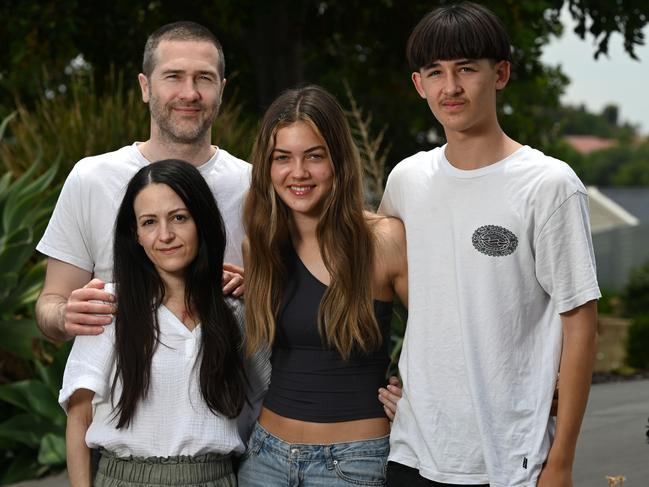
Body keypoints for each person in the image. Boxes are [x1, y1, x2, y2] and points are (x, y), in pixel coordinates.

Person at [379, 3, 600, 486]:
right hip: (414, 452)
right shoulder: (407, 181)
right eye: (435, 72)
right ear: (419, 84)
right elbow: (373, 279)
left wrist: (560, 462)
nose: (450, 87)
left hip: (511, 460)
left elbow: (580, 324)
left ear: (499, 74)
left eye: (466, 69)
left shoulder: (549, 185)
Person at [35, 21, 248, 343]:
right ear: (146, 87)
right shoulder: (91, 178)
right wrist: (65, 315)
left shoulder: (255, 184)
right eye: (173, 76)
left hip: (232, 389)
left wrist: (260, 290)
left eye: (204, 78)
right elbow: (51, 303)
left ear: (221, 89)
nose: (189, 93)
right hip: (123, 389)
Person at [237, 85, 408, 486]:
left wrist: (418, 396)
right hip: (265, 458)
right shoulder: (259, 246)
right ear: (267, 166)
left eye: (314, 156)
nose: (298, 173)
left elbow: (443, 335)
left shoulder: (383, 240)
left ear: (338, 161)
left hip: (353, 463)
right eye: (283, 158)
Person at [60, 160, 249, 486]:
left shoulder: (234, 310)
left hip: (217, 476)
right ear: (136, 235)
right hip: (126, 476)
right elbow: (80, 418)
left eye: (179, 217)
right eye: (149, 222)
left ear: (201, 222)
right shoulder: (108, 306)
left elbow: (264, 405)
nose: (165, 235)